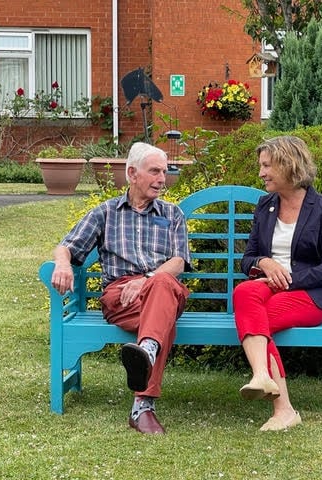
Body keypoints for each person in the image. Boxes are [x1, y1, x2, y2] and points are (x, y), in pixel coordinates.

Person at [50, 142, 191, 435]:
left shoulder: (173, 213)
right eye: (154, 171)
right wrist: (63, 265)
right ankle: (143, 404)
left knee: (164, 283)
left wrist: (147, 279)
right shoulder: (106, 213)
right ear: (132, 173)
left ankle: (146, 353)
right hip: (121, 297)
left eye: (164, 172)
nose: (162, 179)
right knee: (162, 317)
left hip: (161, 286)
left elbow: (178, 262)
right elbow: (66, 246)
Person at [233, 135, 322, 431]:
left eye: (267, 165)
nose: (261, 173)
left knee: (256, 320)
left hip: (309, 294)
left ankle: (279, 404)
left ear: (288, 164)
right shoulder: (264, 205)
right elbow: (247, 259)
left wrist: (289, 280)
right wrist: (263, 263)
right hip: (267, 287)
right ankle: (269, 388)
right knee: (244, 292)